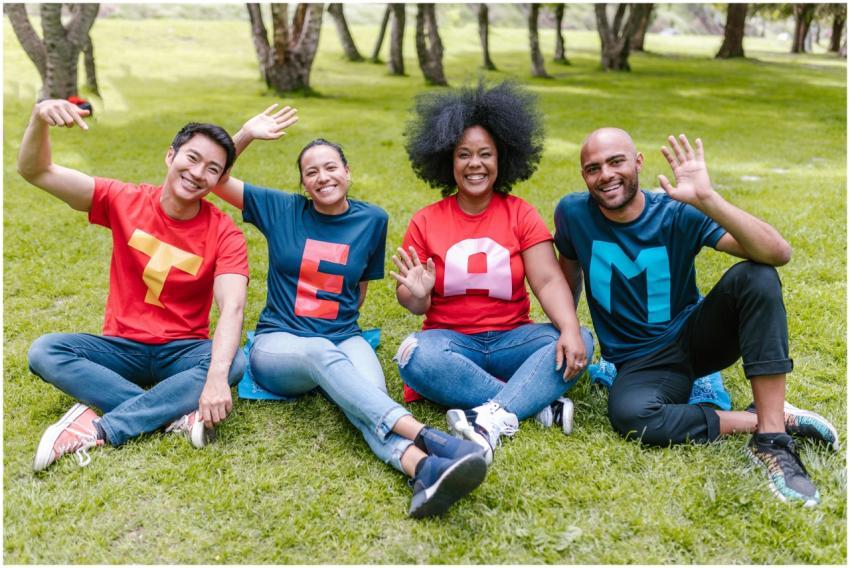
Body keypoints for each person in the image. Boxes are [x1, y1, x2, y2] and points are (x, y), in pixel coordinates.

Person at [210, 105, 488, 518]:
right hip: (278, 345)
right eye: (311, 172)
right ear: (303, 184)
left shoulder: (372, 220)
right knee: (321, 354)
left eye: (331, 167)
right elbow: (214, 178)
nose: (323, 177)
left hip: (343, 337)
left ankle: (424, 468)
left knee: (370, 398)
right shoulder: (281, 209)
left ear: (347, 172)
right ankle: (432, 438)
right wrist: (247, 133)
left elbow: (358, 290)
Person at [554, 128, 839, 506]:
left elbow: (778, 253)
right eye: (593, 168)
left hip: (696, 338)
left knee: (756, 275)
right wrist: (567, 330)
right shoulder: (573, 214)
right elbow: (567, 277)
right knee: (631, 416)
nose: (605, 174)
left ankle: (772, 441)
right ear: (584, 175)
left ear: (638, 162)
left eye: (616, 162)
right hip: (640, 363)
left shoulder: (677, 211)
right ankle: (763, 417)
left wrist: (707, 198)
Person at [19, 99, 250, 472]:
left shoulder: (225, 233)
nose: (197, 173)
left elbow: (233, 307)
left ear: (218, 179)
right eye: (191, 158)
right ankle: (175, 415)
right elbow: (37, 170)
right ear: (170, 155)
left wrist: (218, 378)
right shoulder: (123, 199)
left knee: (233, 362)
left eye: (212, 169)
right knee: (46, 351)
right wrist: (39, 118)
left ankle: (101, 427)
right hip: (121, 349)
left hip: (182, 352)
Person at [392, 81, 594, 464]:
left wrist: (569, 328)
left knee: (580, 338)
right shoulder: (426, 221)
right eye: (464, 154)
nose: (475, 164)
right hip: (451, 345)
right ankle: (532, 402)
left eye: (485, 154)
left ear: (502, 159)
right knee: (413, 355)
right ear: (448, 160)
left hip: (512, 342)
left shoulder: (520, 213)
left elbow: (548, 280)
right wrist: (418, 294)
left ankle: (491, 413)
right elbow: (414, 303)